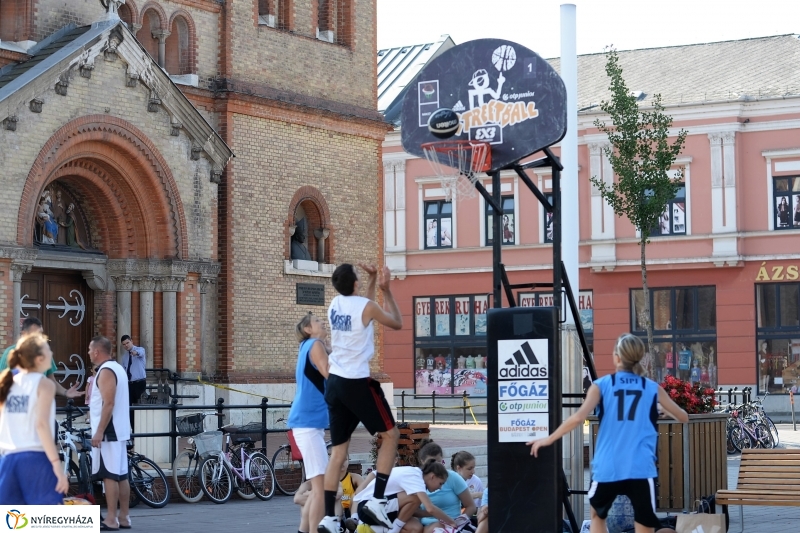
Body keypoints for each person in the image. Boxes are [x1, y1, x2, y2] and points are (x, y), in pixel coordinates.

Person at [528, 333, 689, 533]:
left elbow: (578, 418)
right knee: (644, 522)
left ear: (617, 357)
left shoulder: (601, 385)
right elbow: (683, 417)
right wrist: (665, 410)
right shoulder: (652, 388)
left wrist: (549, 439)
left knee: (597, 516)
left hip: (608, 466)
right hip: (640, 466)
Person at [318, 263, 403, 533]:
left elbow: (362, 305)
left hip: (334, 382)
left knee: (338, 452)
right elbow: (396, 322)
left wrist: (371, 278)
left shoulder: (335, 304)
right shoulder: (366, 307)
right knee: (390, 435)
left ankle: (329, 518)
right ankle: (377, 500)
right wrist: (386, 290)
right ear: (354, 283)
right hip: (356, 381)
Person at [0, 333, 69, 503]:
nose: (52, 354)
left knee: (14, 523)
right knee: (45, 521)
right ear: (39, 358)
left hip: (8, 460)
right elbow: (42, 425)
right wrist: (56, 465)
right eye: (48, 350)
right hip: (35, 460)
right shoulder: (43, 383)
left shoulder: (7, 383)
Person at [289, 313, 332, 533]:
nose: (322, 322)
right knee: (321, 489)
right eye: (316, 321)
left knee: (319, 488)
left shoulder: (308, 345)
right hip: (307, 422)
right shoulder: (315, 344)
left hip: (307, 422)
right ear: (308, 329)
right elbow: (329, 373)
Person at [89, 336, 131, 531]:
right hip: (120, 429)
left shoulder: (105, 371)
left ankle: (112, 519)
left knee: (110, 475)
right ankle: (124, 517)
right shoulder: (118, 369)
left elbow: (109, 403)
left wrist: (99, 431)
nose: (89, 353)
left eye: (90, 350)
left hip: (109, 431)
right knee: (121, 475)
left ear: (97, 352)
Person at [353, 461, 454, 533]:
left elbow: (408, 510)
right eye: (441, 483)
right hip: (367, 509)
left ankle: (375, 529)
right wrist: (452, 522)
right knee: (416, 498)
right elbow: (430, 508)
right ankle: (391, 530)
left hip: (379, 509)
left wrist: (432, 515)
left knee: (416, 528)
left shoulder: (415, 475)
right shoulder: (416, 477)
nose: (440, 488)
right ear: (432, 476)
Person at [0, 317, 83, 400]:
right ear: (24, 334)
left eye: (41, 334)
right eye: (36, 334)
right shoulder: (11, 353)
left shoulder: (44, 354)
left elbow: (51, 380)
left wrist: (66, 392)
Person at [414, 441, 476, 532]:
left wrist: (459, 522)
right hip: (427, 526)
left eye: (439, 462)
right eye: (431, 462)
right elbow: (414, 511)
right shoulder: (416, 481)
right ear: (422, 462)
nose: (435, 466)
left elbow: (471, 506)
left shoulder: (453, 477)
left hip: (452, 525)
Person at [120, 334, 146, 428]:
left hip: (139, 383)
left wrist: (135, 353)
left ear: (132, 341)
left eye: (127, 343)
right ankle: (134, 431)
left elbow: (140, 353)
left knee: (140, 407)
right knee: (130, 408)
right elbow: (123, 371)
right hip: (129, 384)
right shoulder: (124, 357)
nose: (126, 345)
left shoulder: (140, 350)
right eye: (124, 344)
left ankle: (141, 429)